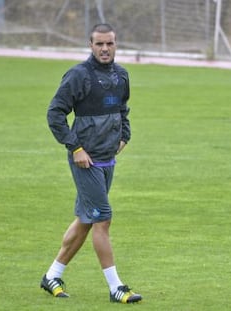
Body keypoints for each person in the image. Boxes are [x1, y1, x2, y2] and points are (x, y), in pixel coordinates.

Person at [40, 23, 142, 304]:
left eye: (109, 43)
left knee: (86, 220)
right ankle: (116, 287)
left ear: (116, 44)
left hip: (108, 159)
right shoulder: (78, 75)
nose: (105, 49)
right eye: (99, 44)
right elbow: (55, 114)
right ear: (90, 45)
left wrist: (125, 136)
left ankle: (52, 276)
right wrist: (75, 148)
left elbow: (123, 110)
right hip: (86, 161)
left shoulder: (122, 76)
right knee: (103, 219)